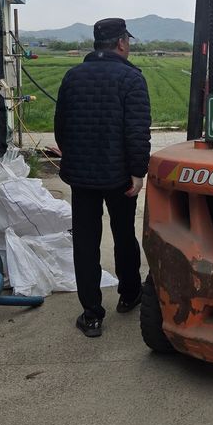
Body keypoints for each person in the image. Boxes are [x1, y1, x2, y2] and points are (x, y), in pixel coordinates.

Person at [54, 18, 152, 336]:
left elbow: (60, 127)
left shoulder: (72, 76)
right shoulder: (131, 78)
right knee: (123, 234)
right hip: (119, 175)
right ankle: (130, 294)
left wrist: (73, 158)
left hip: (81, 177)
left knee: (85, 242)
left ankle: (92, 314)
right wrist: (137, 172)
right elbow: (137, 132)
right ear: (121, 43)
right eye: (128, 41)